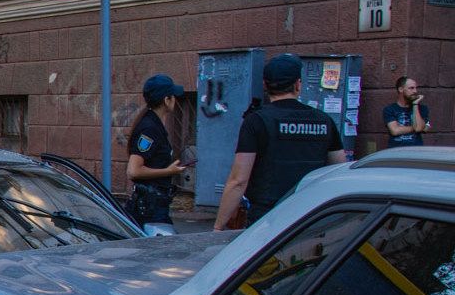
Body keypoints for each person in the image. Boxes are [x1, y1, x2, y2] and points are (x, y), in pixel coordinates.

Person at [213, 54, 345, 230]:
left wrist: (217, 228)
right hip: (310, 214)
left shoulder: (257, 120)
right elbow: (339, 170)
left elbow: (238, 180)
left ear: (265, 85)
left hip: (268, 218)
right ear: (298, 85)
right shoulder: (324, 120)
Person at [125, 74, 188, 226]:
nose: (175, 99)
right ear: (167, 100)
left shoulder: (153, 123)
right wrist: (169, 171)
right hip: (150, 207)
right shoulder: (150, 129)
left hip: (153, 204)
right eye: (173, 96)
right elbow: (133, 170)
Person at [383, 76, 431, 148]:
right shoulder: (390, 109)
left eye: (415, 88)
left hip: (416, 152)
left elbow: (419, 128)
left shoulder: (422, 108)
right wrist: (416, 127)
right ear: (401, 89)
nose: (415, 91)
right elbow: (395, 131)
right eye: (411, 88)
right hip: (395, 153)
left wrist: (415, 104)